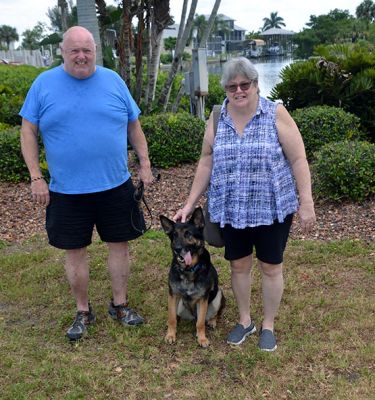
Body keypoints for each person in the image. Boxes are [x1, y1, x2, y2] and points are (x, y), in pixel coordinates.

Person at [19, 26, 154, 341]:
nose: (81, 56)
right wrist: (36, 177)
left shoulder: (113, 81)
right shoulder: (43, 85)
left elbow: (134, 126)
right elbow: (28, 132)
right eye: (74, 50)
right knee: (74, 251)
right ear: (63, 52)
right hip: (66, 190)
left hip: (115, 185)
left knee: (119, 246)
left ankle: (119, 305)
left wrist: (145, 164)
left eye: (87, 50)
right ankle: (83, 310)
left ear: (95, 51)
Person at [174, 57, 316, 351]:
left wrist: (307, 201)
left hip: (271, 208)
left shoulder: (275, 113)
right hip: (232, 209)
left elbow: (299, 159)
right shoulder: (217, 117)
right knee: (238, 267)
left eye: (244, 85)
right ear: (225, 89)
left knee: (270, 268)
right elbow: (206, 161)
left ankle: (268, 325)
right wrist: (190, 204)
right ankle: (245, 321)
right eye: (231, 86)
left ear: (255, 85)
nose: (238, 91)